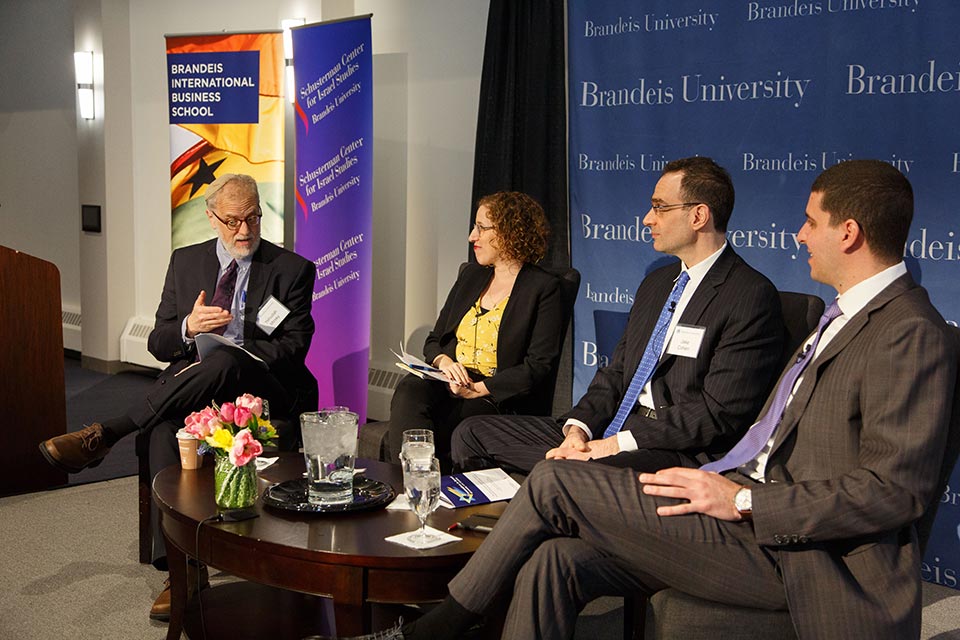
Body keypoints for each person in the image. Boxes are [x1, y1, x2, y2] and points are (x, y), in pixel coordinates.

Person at [331, 159, 956, 640]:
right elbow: (624, 376)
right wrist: (586, 430)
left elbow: (894, 492)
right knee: (557, 563)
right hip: (725, 498)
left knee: (554, 483)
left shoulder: (909, 333)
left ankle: (436, 627)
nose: (798, 235)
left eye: (811, 223)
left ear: (848, 232)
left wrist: (738, 497)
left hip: (796, 556)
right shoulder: (841, 317)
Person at [38, 173, 318, 619]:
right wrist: (190, 327)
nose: (244, 230)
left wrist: (232, 351)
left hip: (266, 387)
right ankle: (184, 570)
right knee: (164, 431)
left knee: (224, 362)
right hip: (198, 388)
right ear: (211, 218)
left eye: (253, 218)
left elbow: (293, 348)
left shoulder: (291, 270)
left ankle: (107, 433)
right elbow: (159, 341)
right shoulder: (185, 262)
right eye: (232, 221)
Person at [452, 157, 784, 475]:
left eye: (659, 207)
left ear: (698, 216)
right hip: (612, 429)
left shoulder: (749, 295)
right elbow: (618, 372)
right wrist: (578, 430)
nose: (647, 219)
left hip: (670, 450)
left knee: (566, 472)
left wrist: (616, 444)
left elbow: (716, 415)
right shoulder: (656, 284)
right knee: (472, 432)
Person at [388, 191, 567, 465]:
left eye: (481, 228)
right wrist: (444, 361)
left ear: (509, 231)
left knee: (455, 425)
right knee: (410, 389)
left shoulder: (542, 288)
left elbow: (538, 366)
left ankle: (432, 488)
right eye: (475, 227)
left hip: (493, 396)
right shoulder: (471, 276)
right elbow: (434, 340)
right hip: (448, 383)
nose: (473, 236)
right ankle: (411, 484)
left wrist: (479, 388)